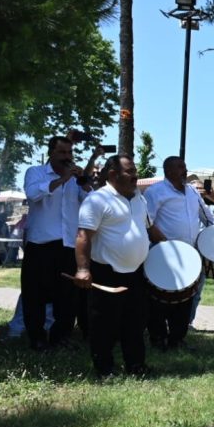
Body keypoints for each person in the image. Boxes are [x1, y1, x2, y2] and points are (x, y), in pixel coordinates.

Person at [74, 155, 151, 377]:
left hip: (135, 272)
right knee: (104, 324)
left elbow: (146, 228)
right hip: (105, 272)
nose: (135, 175)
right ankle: (104, 368)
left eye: (135, 170)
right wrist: (82, 269)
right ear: (113, 175)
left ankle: (136, 366)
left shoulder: (139, 199)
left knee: (135, 322)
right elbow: (83, 237)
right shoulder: (97, 200)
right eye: (130, 171)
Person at [21, 136, 100, 350]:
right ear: (51, 153)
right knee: (34, 295)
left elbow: (91, 202)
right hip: (41, 244)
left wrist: (84, 182)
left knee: (68, 297)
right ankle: (37, 338)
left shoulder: (76, 178)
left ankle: (60, 337)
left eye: (69, 153)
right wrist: (62, 179)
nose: (67, 157)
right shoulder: (35, 172)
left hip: (69, 245)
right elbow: (32, 194)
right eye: (62, 153)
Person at [145, 157, 214, 349]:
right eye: (180, 167)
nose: (185, 171)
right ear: (168, 170)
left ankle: (177, 338)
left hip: (190, 254)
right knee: (159, 299)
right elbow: (147, 222)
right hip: (163, 253)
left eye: (185, 167)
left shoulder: (192, 191)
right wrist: (164, 243)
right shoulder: (155, 191)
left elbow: (207, 217)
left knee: (185, 299)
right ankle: (158, 337)